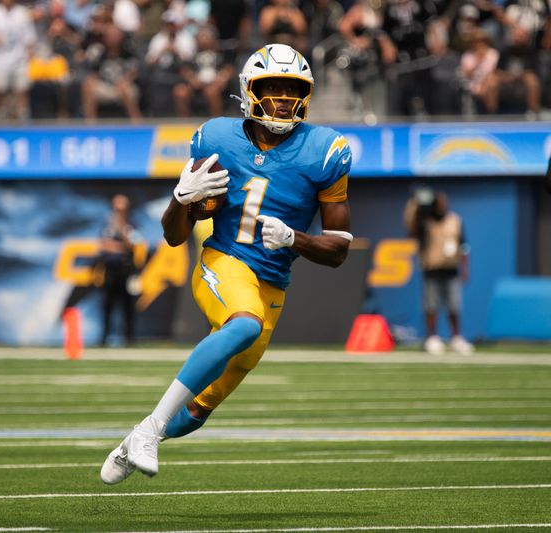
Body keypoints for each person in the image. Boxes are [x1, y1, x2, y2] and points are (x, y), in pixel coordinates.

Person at [101, 44, 353, 484]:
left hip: (273, 280)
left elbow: (339, 250)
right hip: (224, 259)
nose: (281, 100)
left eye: (290, 90)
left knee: (199, 412)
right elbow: (175, 235)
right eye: (270, 88)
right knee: (244, 324)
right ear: (249, 91)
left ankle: (137, 437)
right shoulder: (216, 138)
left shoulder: (325, 150)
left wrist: (296, 238)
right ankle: (150, 429)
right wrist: (181, 200)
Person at [404, 188, 474, 356]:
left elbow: (464, 245)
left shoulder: (455, 220)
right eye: (440, 202)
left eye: (445, 202)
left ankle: (456, 338)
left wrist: (465, 267)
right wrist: (414, 205)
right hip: (432, 270)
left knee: (454, 306)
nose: (443, 205)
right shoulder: (425, 222)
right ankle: (432, 338)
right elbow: (411, 228)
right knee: (431, 306)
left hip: (451, 269)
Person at [0, 0, 38, 120]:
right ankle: (1, 115)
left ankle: (23, 116)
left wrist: (31, 56)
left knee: (22, 89)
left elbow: (30, 37)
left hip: (20, 59)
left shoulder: (22, 13)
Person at [97, 194, 139, 347]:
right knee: (107, 305)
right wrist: (120, 248)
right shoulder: (106, 225)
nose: (118, 211)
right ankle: (104, 337)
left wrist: (121, 229)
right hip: (109, 270)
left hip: (126, 269)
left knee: (127, 306)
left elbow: (133, 245)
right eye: (116, 208)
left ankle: (129, 337)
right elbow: (102, 245)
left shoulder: (131, 224)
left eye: (122, 209)